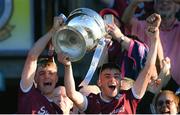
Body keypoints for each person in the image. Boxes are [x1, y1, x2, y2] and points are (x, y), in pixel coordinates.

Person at [58, 13, 161, 114]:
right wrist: (67, 66)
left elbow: (148, 69)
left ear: (120, 82)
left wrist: (154, 40)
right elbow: (71, 93)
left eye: (116, 76)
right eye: (107, 76)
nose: (112, 80)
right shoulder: (92, 102)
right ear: (99, 82)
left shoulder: (129, 98)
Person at [121, 0, 180, 87]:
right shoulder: (144, 26)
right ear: (154, 5)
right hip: (144, 88)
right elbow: (124, 22)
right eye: (159, 1)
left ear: (177, 7)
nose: (164, 3)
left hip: (174, 93)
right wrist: (135, 2)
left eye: (169, 1)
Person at [17, 16, 64, 114]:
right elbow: (32, 57)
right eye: (42, 73)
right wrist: (53, 31)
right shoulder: (29, 94)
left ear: (56, 78)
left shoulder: (58, 111)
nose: (47, 76)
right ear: (35, 79)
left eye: (51, 73)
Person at [99, 8, 149, 80]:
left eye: (113, 20)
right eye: (105, 22)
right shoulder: (104, 45)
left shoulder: (132, 39)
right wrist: (103, 45)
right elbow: (102, 70)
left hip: (132, 86)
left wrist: (119, 37)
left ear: (120, 24)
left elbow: (143, 53)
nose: (109, 24)